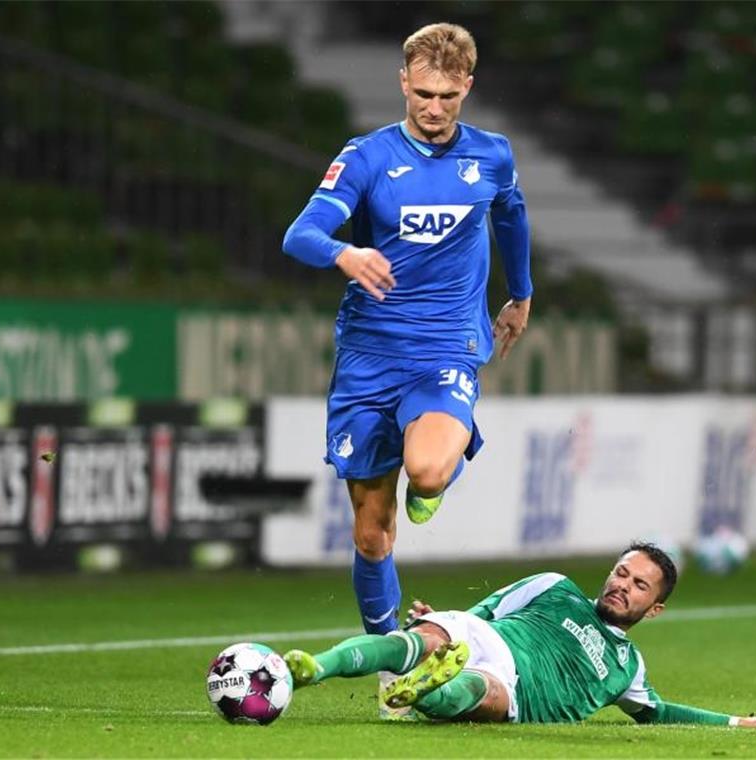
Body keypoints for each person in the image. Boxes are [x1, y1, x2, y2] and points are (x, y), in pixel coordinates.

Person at [281, 22, 533, 715]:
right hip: (369, 356)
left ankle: (433, 482)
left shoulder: (492, 156)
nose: (434, 107)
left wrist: (522, 293)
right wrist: (345, 254)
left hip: (448, 346)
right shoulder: (365, 158)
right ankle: (390, 658)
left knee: (426, 470)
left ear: (467, 89)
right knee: (371, 532)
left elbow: (511, 215)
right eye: (423, 92)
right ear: (403, 83)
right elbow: (298, 233)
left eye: (448, 95)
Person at [283, 542, 756, 727]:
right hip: (488, 637)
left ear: (655, 609)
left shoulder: (629, 669)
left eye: (639, 585)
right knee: (429, 636)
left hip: (516, 690)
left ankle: (425, 689)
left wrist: (741, 721)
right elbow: (482, 613)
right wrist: (441, 618)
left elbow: (662, 714)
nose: (623, 585)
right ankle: (314, 667)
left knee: (482, 694)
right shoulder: (554, 586)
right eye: (621, 573)